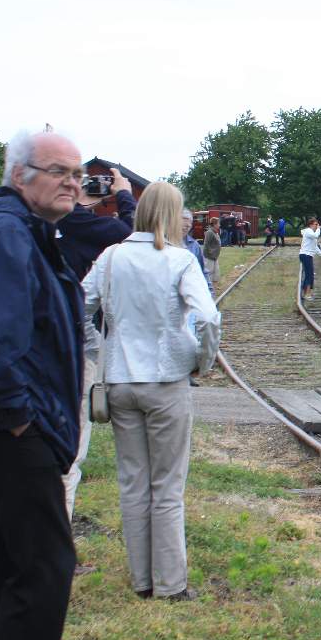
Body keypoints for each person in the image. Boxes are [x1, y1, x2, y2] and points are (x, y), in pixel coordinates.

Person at [83, 183, 220, 602]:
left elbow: (77, 307)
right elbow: (208, 317)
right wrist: (203, 359)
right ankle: (171, 584)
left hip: (120, 383)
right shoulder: (178, 260)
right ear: (171, 216)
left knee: (133, 482)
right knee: (167, 485)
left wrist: (97, 348)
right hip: (165, 383)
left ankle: (142, 580)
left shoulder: (109, 258)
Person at [0, 130, 83, 640]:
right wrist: (19, 418)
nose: (74, 183)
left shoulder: (29, 232)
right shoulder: (8, 235)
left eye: (79, 174)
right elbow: (0, 339)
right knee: (45, 569)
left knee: (9, 569)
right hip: (12, 433)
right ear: (20, 175)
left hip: (21, 428)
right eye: (57, 171)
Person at [56, 167, 135, 519]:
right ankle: (58, 528)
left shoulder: (24, 221)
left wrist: (81, 203)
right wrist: (123, 196)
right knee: (71, 442)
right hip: (72, 343)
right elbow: (133, 237)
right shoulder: (87, 228)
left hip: (23, 346)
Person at [299, 217, 321, 299]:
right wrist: (318, 229)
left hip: (308, 255)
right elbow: (316, 236)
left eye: (318, 225)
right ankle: (307, 294)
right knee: (309, 275)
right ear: (310, 225)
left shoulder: (311, 233)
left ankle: (305, 293)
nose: (317, 226)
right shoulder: (309, 231)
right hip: (305, 255)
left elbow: (315, 247)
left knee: (309, 274)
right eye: (316, 224)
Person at [202, 217, 222, 293]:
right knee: (209, 273)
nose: (219, 225)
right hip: (209, 257)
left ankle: (214, 288)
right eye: (218, 223)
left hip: (215, 257)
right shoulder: (209, 232)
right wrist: (210, 254)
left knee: (216, 273)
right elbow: (206, 245)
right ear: (214, 224)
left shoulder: (215, 232)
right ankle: (208, 289)